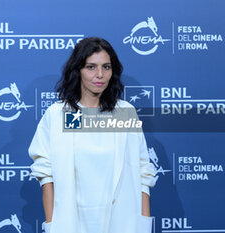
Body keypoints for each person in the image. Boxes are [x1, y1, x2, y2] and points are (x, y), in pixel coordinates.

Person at [29, 37, 156, 233]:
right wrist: (53, 224)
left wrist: (143, 225)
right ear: (78, 70)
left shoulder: (124, 113)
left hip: (123, 223)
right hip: (72, 224)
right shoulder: (59, 115)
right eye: (91, 67)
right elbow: (46, 174)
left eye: (106, 67)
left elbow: (143, 173)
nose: (100, 75)